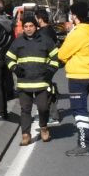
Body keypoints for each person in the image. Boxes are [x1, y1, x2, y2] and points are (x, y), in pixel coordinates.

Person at [6, 14, 60, 147]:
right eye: (26, 26)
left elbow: (55, 58)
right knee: (25, 110)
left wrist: (50, 72)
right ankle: (26, 134)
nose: (28, 28)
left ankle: (43, 127)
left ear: (35, 26)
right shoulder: (18, 42)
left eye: (31, 26)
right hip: (24, 83)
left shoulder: (46, 40)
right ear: (23, 28)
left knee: (43, 107)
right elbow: (8, 58)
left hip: (42, 81)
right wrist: (15, 68)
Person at [57, 1, 89, 156]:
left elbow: (62, 54)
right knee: (81, 107)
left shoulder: (78, 33)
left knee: (79, 110)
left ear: (74, 15)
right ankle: (84, 142)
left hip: (78, 76)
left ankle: (84, 144)